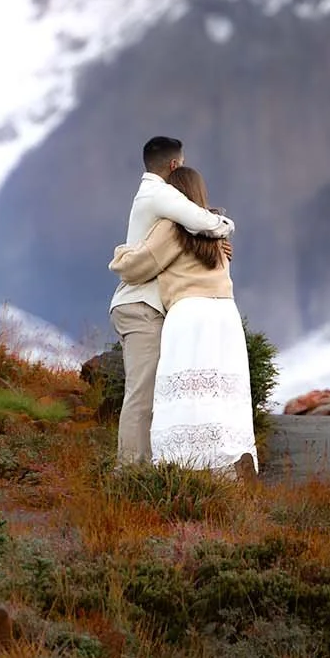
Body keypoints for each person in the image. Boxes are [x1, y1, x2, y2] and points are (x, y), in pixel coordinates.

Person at [108, 163, 255, 475]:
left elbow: (135, 267)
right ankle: (225, 464)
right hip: (225, 315)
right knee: (218, 393)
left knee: (183, 395)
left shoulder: (172, 226)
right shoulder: (216, 228)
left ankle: (180, 465)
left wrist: (121, 253)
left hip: (189, 314)